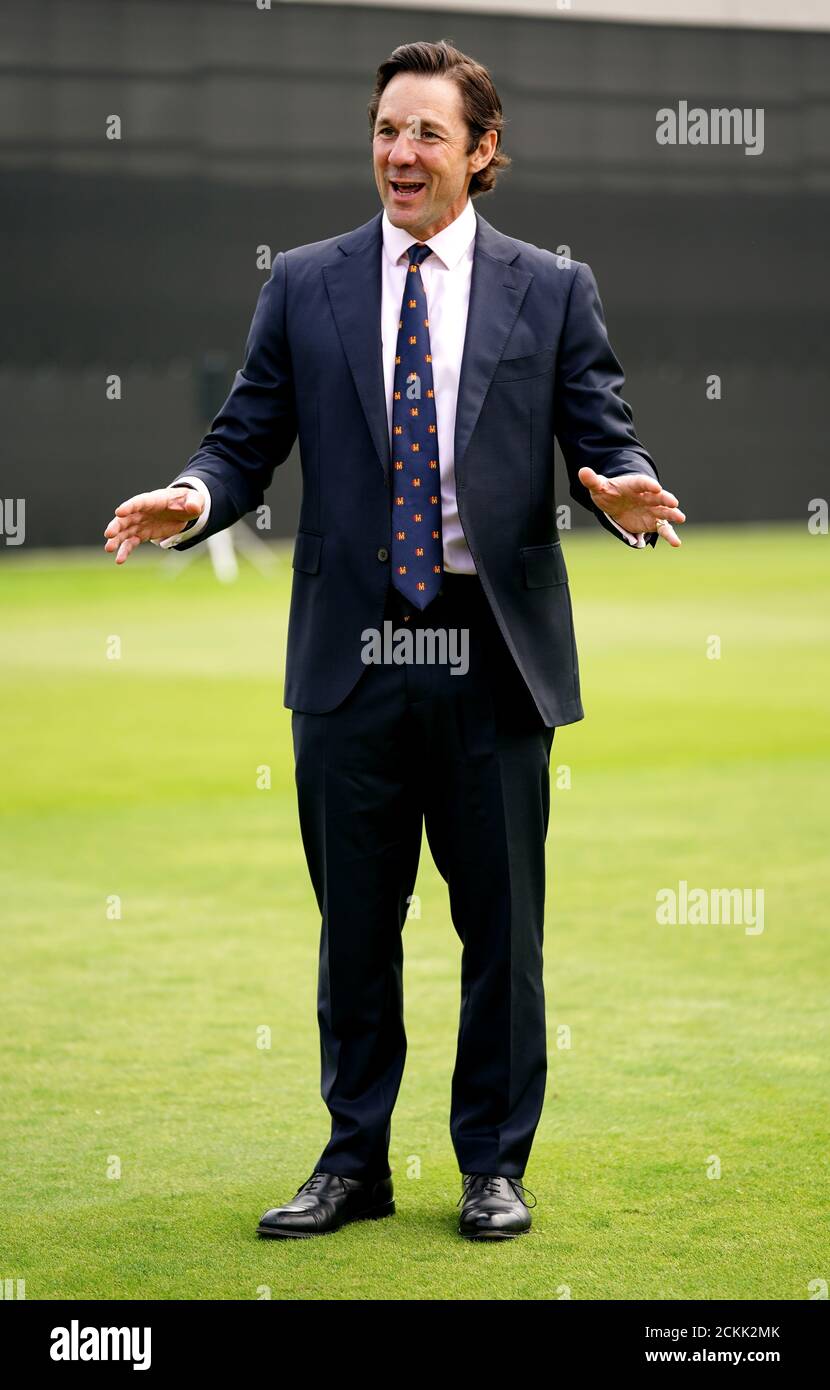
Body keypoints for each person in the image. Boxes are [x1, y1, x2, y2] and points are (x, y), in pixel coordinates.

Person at [104, 39, 684, 1242]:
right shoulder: (305, 283)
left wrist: (621, 487)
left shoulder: (550, 288)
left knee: (500, 936)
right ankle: (351, 1161)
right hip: (351, 658)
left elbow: (601, 429)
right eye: (383, 130)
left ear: (480, 152)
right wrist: (195, 501)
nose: (398, 152)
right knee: (355, 929)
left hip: (492, 657)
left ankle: (491, 1166)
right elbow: (242, 437)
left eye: (426, 132)